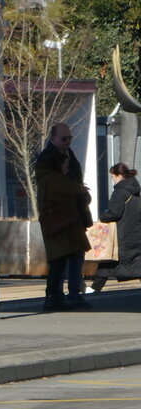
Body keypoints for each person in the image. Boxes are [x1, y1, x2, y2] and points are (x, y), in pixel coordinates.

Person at [35, 123, 92, 311]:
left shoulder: (64, 155)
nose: (68, 142)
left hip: (69, 215)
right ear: (53, 138)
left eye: (70, 138)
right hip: (61, 217)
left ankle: (67, 294)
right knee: (62, 259)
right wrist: (78, 190)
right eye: (64, 138)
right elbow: (56, 186)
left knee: (71, 256)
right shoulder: (49, 160)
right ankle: (60, 296)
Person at [91, 163, 141, 293]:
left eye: (113, 176)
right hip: (135, 233)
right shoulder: (136, 191)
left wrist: (103, 217)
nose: (112, 179)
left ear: (119, 176)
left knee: (109, 260)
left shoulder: (120, 192)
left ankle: (95, 288)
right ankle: (95, 287)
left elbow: (114, 213)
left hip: (121, 234)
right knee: (135, 263)